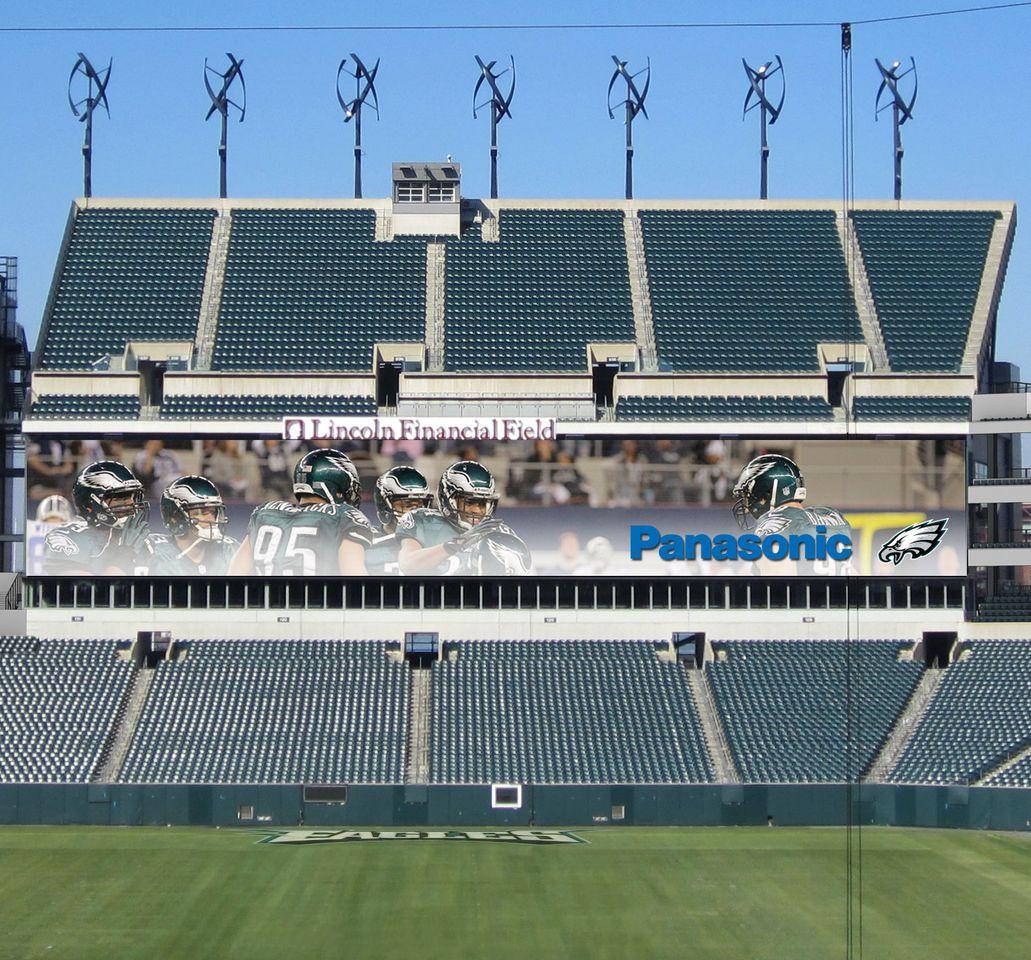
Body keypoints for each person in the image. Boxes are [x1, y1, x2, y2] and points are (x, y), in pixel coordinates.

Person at [228, 448, 374, 576]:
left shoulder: (265, 512)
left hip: (267, 604)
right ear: (337, 489)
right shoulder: (344, 516)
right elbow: (355, 577)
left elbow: (235, 572)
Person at [397, 460, 531, 575]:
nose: (477, 510)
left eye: (482, 503)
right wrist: (456, 544)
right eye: (470, 502)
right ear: (449, 499)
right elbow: (408, 564)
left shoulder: (499, 533)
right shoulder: (423, 521)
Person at [731, 453, 852, 575]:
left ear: (765, 495)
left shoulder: (774, 524)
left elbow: (780, 588)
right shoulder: (833, 517)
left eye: (748, 498)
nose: (747, 509)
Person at [42, 461, 151, 575]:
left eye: (132, 495)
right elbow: (86, 591)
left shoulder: (140, 540)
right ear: (90, 505)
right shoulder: (69, 537)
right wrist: (125, 554)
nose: (130, 502)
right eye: (120, 497)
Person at [145, 476, 238, 575]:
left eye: (213, 512)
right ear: (176, 517)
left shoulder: (229, 550)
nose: (211, 519)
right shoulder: (153, 550)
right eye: (200, 512)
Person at [364, 466, 435, 575]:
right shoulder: (365, 543)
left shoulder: (437, 542)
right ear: (385, 507)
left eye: (421, 505)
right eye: (407, 504)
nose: (416, 512)